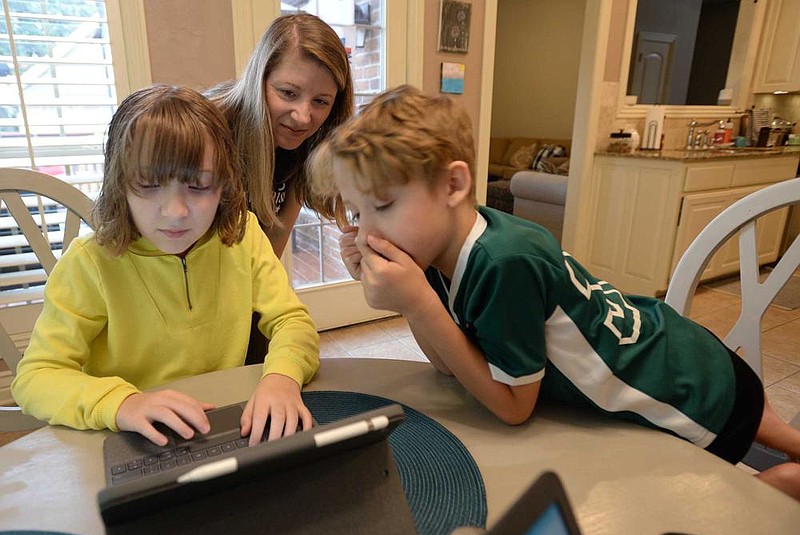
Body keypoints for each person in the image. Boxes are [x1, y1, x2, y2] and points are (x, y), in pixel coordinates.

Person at [308, 84, 800, 500]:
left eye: (384, 206)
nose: (368, 232)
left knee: (757, 490)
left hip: (688, 389)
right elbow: (449, 364)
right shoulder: (440, 248)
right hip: (678, 352)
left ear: (453, 184)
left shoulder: (503, 263)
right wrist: (413, 298)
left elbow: (512, 408)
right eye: (357, 213)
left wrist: (414, 302)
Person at [11, 84, 320, 447]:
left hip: (225, 427)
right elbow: (36, 377)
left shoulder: (243, 233)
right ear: (119, 185)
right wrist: (123, 402)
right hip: (135, 439)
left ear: (224, 184)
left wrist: (282, 377)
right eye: (149, 185)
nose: (175, 211)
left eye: (199, 186)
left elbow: (292, 321)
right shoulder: (89, 264)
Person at [206, 12, 354, 258]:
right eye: (288, 93)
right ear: (259, 79)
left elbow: (270, 252)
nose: (303, 117)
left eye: (320, 101)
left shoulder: (308, 145)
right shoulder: (208, 129)